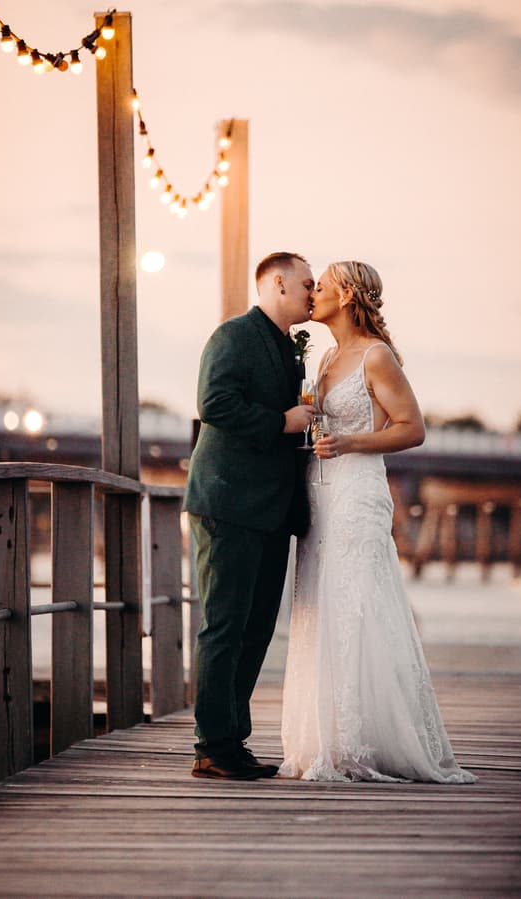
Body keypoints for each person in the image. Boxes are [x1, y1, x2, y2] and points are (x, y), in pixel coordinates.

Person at [279, 261, 477, 784]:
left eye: (320, 285)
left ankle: (365, 739)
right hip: (319, 496)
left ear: (345, 295)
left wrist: (350, 442)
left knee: (358, 603)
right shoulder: (324, 357)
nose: (312, 292)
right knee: (320, 605)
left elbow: (413, 429)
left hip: (356, 492)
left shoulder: (375, 355)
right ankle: (326, 737)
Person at [184, 251, 316, 780]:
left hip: (270, 511)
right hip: (228, 503)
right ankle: (211, 745)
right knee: (224, 626)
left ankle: (231, 742)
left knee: (257, 627)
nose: (315, 291)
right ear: (278, 283)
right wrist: (284, 422)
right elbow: (214, 404)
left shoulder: (290, 349)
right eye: (308, 283)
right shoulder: (234, 335)